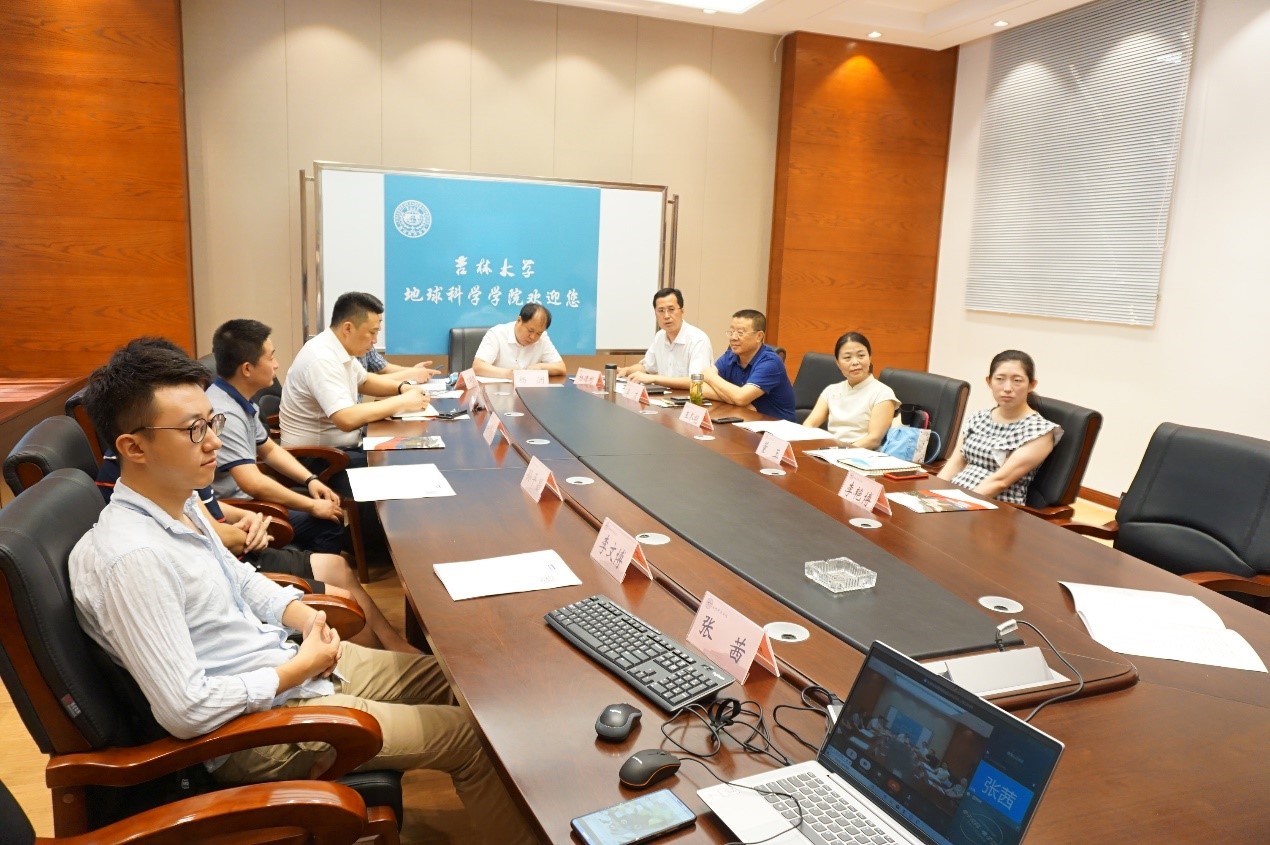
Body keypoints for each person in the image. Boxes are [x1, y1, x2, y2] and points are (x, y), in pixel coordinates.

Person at [69, 339, 535, 845]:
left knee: (462, 681)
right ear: (133, 448)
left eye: (212, 423)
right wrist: (299, 668)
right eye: (193, 430)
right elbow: (187, 710)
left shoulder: (175, 505)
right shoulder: (133, 558)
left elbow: (240, 580)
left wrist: (304, 617)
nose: (213, 443)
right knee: (469, 739)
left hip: (285, 667)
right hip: (255, 729)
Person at [209, 319, 345, 554]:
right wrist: (312, 506)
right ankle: (307, 571)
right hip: (236, 508)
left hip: (247, 500)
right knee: (328, 525)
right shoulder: (225, 414)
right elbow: (253, 484)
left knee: (324, 513)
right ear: (247, 369)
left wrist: (310, 479)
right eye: (270, 357)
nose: (276, 364)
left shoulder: (237, 399)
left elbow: (270, 450)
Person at [279, 291, 431, 456]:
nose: (375, 340)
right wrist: (403, 401)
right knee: (403, 459)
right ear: (348, 328)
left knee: (409, 449)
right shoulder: (322, 358)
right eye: (372, 332)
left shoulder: (338, 347)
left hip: (341, 448)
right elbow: (346, 419)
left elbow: (364, 381)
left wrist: (402, 388)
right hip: (319, 458)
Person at [937, 350, 1061, 505]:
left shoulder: (1039, 431)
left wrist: (954, 504)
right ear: (989, 382)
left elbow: (1000, 482)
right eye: (1000, 379)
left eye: (1017, 380)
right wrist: (931, 494)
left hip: (996, 507)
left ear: (1031, 385)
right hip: (955, 498)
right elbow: (956, 462)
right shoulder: (978, 418)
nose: (1007, 388)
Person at [802, 331, 899, 448]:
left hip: (862, 454)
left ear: (870, 358)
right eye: (847, 357)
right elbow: (809, 424)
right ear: (838, 363)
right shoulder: (831, 390)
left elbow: (873, 440)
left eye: (861, 355)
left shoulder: (883, 393)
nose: (855, 362)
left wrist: (841, 452)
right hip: (831, 451)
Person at [701, 309, 796, 421]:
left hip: (774, 427)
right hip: (746, 420)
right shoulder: (730, 356)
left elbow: (740, 398)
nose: (733, 337)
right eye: (731, 331)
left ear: (759, 336)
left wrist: (711, 377)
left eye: (740, 333)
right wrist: (734, 399)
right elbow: (701, 388)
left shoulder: (771, 362)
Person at [616, 287, 714, 389]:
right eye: (661, 310)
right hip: (666, 396)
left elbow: (696, 382)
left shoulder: (698, 339)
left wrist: (654, 378)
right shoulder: (660, 336)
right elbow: (646, 367)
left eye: (671, 309)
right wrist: (626, 370)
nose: (666, 316)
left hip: (691, 398)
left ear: (682, 310)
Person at [471, 302, 566, 379]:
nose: (533, 337)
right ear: (519, 320)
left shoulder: (543, 338)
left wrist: (540, 367)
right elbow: (477, 367)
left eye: (538, 333)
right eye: (530, 330)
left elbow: (561, 368)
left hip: (529, 393)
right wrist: (509, 374)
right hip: (497, 392)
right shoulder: (497, 333)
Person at [359, 346, 440, 384]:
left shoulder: (367, 344)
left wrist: (415, 371)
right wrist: (411, 374)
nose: (375, 340)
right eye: (373, 332)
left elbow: (384, 367)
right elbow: (365, 383)